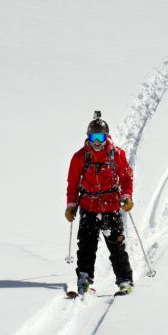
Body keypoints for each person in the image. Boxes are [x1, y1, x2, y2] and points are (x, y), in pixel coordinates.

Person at [65, 111, 134, 295]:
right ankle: (84, 279)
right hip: (88, 206)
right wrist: (71, 206)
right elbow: (72, 184)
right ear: (88, 137)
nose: (97, 142)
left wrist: (126, 196)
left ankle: (125, 281)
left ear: (106, 136)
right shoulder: (80, 157)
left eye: (100, 137)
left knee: (116, 246)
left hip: (110, 206)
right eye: (93, 137)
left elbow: (127, 179)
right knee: (86, 246)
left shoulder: (116, 154)